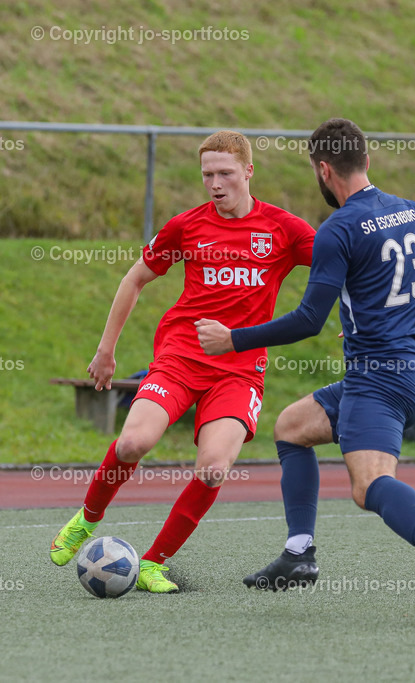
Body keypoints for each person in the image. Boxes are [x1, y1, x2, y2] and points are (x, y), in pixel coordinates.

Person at [196, 118, 415, 626]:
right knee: (291, 427)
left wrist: (232, 339)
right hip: (414, 373)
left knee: (368, 485)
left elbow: (309, 319)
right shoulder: (409, 210)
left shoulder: (339, 229)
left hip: (379, 380)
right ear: (366, 161)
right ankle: (298, 552)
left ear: (323, 171)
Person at [48, 131, 315, 593]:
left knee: (213, 468)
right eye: (207, 174)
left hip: (239, 369)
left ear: (249, 171)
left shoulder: (284, 229)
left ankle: (153, 563)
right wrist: (106, 350)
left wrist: (354, 315)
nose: (215, 184)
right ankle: (86, 519)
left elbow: (340, 266)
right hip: (181, 356)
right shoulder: (186, 226)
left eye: (225, 173)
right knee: (133, 442)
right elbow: (135, 279)